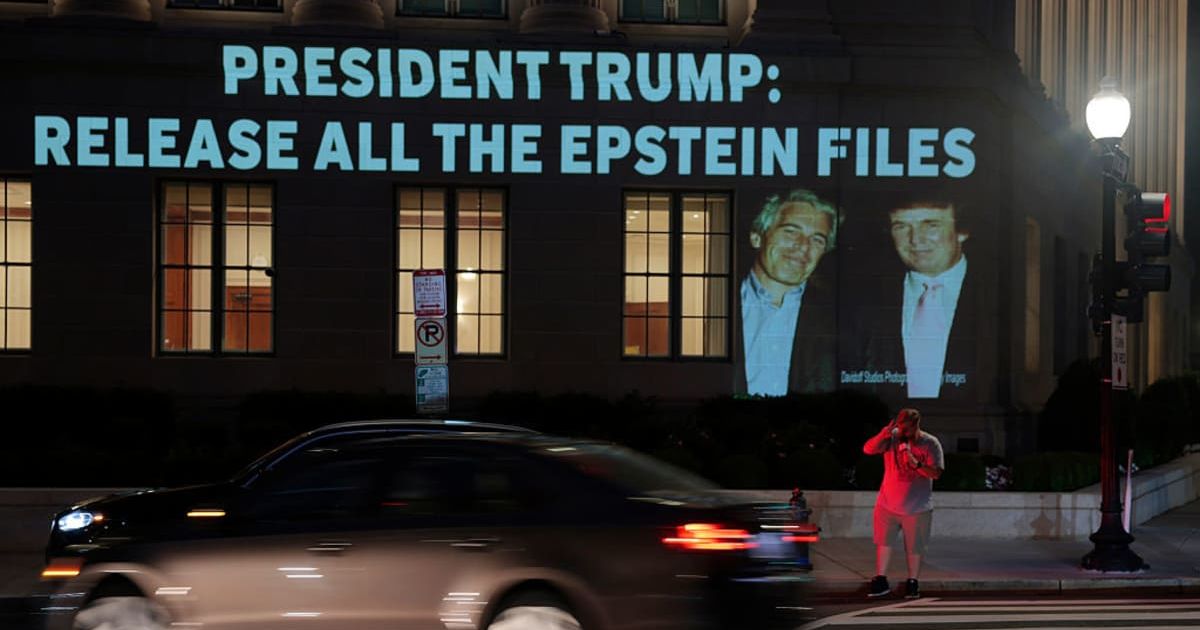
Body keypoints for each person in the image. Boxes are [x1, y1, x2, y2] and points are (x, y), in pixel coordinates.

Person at [735, 189, 839, 396]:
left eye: (817, 240)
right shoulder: (715, 302)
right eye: (790, 231)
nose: (803, 247)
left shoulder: (841, 320)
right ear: (757, 237)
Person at [861, 408, 944, 599]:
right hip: (887, 503)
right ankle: (881, 580)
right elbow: (868, 449)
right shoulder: (892, 438)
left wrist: (915, 463)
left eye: (907, 430)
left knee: (915, 547)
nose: (903, 434)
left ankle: (912, 582)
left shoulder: (930, 443)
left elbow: (936, 473)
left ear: (916, 426)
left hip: (917, 506)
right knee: (884, 543)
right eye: (901, 428)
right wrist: (884, 433)